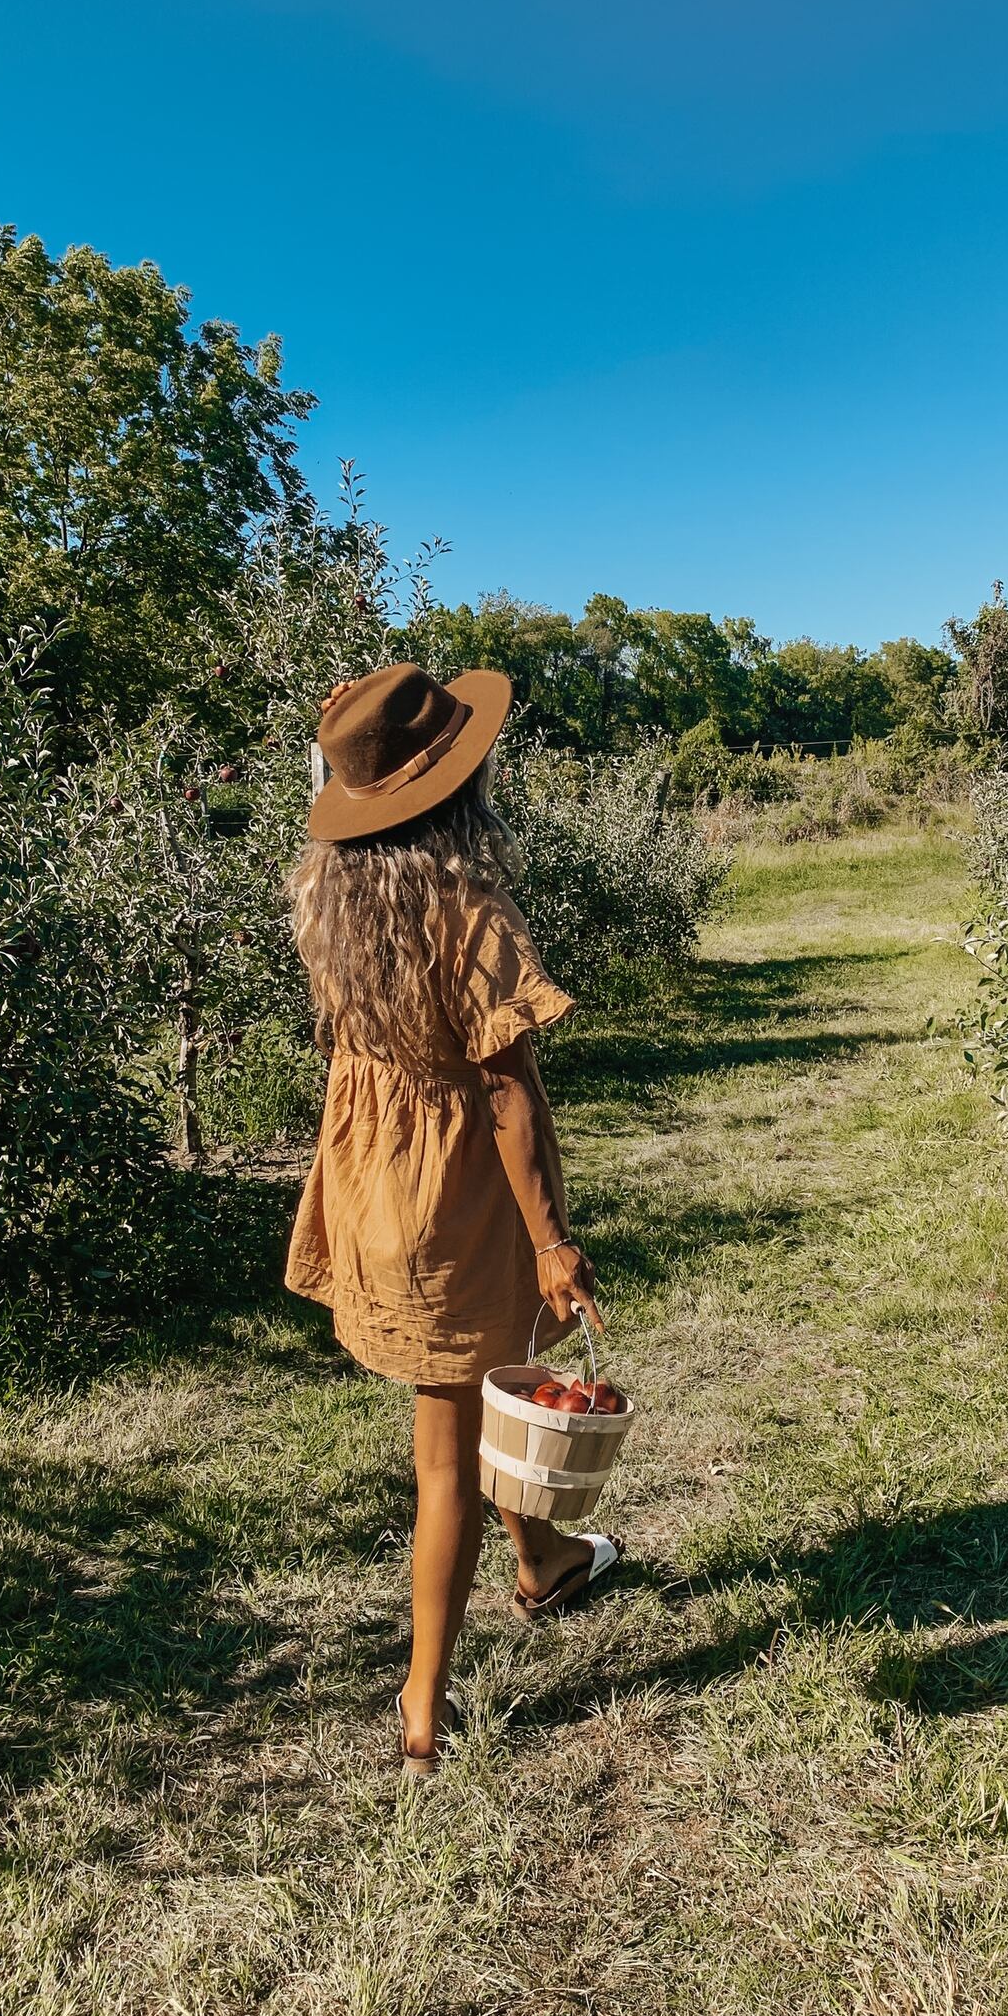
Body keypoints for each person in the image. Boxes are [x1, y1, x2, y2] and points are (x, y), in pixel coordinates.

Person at [283, 662, 622, 1775]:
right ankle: (422, 1704)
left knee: (486, 1386)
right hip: (456, 1191)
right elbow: (508, 1095)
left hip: (377, 1177)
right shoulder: (466, 912)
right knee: (445, 1451)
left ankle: (547, 1563)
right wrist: (550, 1239)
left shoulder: (330, 903)